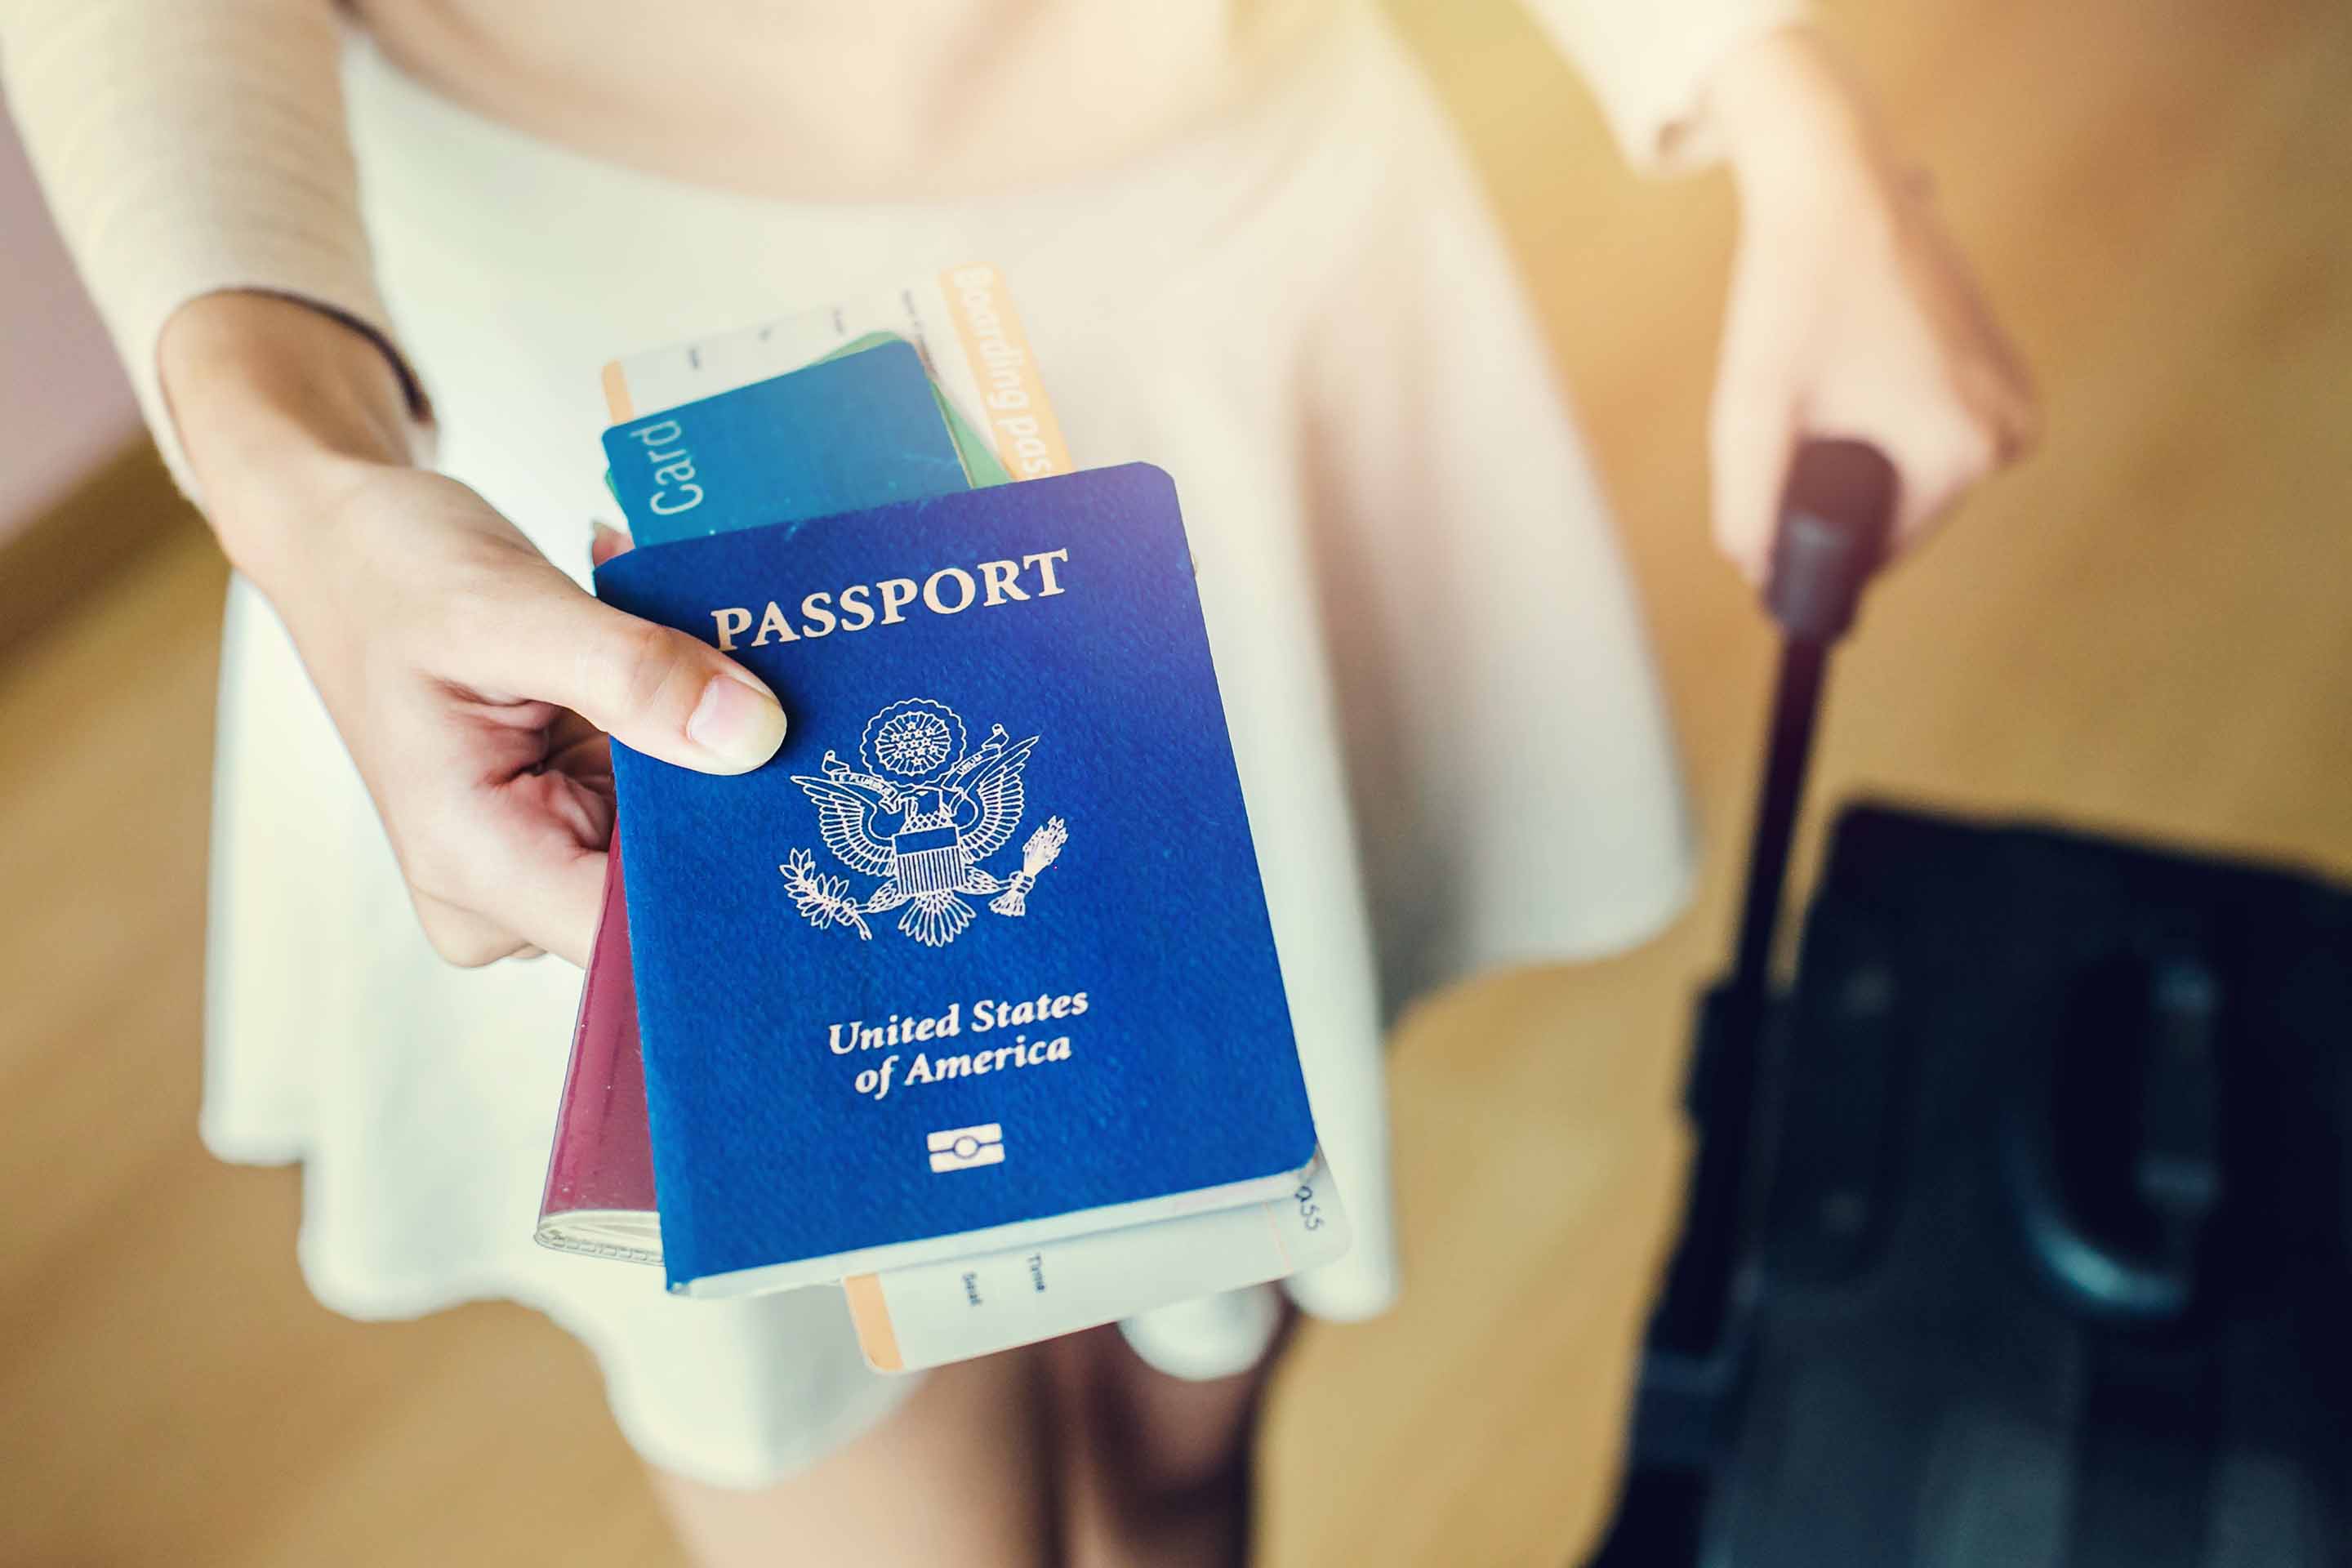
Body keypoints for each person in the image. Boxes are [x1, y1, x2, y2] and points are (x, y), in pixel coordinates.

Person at [2, 0, 2034, 1561]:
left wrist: (1781, 102)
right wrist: (295, 469)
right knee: (857, 1446)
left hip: (1225, 287)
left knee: (1190, 1421)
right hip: (545, 418)